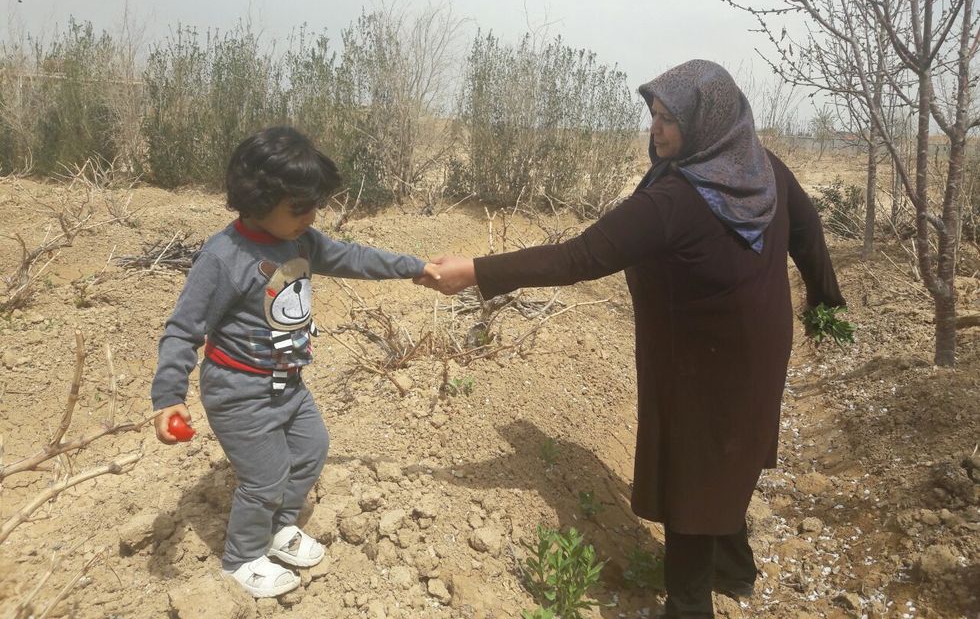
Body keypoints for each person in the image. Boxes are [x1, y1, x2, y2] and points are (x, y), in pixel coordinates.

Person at [418, 60, 845, 617]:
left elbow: (580, 256)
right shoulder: (760, 168)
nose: (655, 128)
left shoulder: (674, 201)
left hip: (699, 357)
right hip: (760, 343)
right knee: (728, 450)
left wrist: (475, 269)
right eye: (652, 114)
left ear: (707, 122)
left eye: (669, 119)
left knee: (695, 469)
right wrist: (824, 302)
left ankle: (690, 604)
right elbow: (809, 237)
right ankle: (734, 569)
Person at [150, 126, 439, 598]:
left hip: (288, 382)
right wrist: (168, 397)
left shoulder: (299, 240)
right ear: (258, 200)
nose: (312, 215)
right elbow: (184, 328)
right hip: (239, 390)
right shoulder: (224, 258)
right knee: (263, 477)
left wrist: (414, 267)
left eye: (314, 205)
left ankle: (279, 529)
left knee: (310, 451)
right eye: (300, 207)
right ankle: (242, 558)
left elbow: (353, 257)